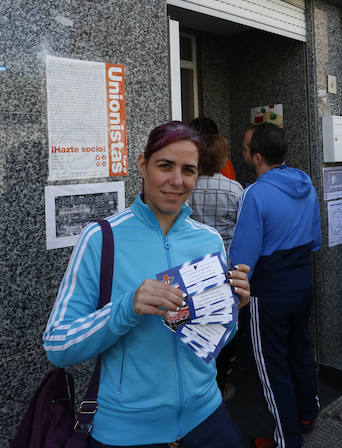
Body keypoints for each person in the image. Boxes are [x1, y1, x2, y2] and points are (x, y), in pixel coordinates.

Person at [43, 121, 252, 448]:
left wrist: (230, 308)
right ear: (142, 165)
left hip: (207, 419)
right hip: (127, 432)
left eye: (189, 170)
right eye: (165, 166)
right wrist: (127, 307)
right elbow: (57, 345)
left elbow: (214, 340)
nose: (176, 181)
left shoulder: (208, 240)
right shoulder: (101, 239)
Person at [229, 123, 321, 448]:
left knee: (271, 366)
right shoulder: (307, 184)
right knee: (300, 349)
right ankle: (308, 413)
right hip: (302, 282)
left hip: (268, 291)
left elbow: (242, 259)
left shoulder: (254, 193)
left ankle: (286, 439)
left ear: (257, 157)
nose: (241, 154)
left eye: (243, 149)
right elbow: (315, 240)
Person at [189, 132, 245, 401]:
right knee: (225, 324)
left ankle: (199, 383)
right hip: (226, 267)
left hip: (194, 268)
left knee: (196, 324)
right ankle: (221, 384)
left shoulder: (187, 187)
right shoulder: (235, 189)